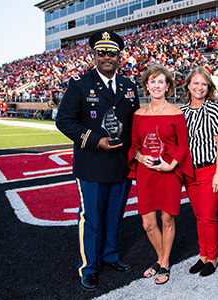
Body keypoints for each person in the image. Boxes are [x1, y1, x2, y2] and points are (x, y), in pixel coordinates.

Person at [56, 31, 139, 291]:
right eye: (101, 52)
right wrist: (95, 141)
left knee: (114, 215)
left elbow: (135, 122)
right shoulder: (79, 85)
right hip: (91, 163)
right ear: (94, 55)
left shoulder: (128, 86)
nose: (106, 57)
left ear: (118, 57)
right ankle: (89, 267)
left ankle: (110, 256)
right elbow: (64, 121)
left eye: (111, 53)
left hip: (120, 163)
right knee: (91, 217)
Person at [128, 64, 194, 285]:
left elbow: (183, 144)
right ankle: (160, 257)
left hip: (168, 172)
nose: (157, 86)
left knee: (167, 218)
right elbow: (134, 145)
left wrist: (171, 164)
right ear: (147, 85)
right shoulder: (138, 114)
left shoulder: (176, 113)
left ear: (168, 86)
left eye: (161, 82)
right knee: (148, 223)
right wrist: (138, 157)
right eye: (153, 81)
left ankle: (163, 263)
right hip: (146, 173)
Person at [180, 66, 218, 277]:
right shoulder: (182, 112)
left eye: (203, 84)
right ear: (188, 86)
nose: (199, 87)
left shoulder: (215, 110)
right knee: (198, 216)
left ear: (209, 87)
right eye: (196, 83)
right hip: (189, 173)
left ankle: (212, 258)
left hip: (209, 170)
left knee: (208, 217)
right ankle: (202, 255)